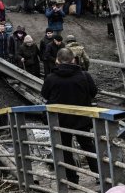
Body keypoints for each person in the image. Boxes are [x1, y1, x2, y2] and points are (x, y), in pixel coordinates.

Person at [41, 48, 99, 185]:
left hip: (60, 120)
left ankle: (72, 180)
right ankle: (99, 175)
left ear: (57, 60)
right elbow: (93, 92)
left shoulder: (51, 78)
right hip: (82, 118)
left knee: (65, 150)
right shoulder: (84, 76)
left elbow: (45, 95)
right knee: (88, 146)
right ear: (74, 60)